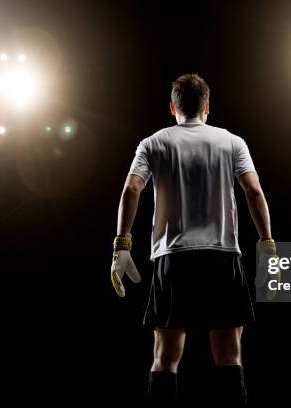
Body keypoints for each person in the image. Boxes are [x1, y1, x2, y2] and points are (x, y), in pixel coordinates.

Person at [110, 73, 276, 406]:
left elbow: (131, 188)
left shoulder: (154, 142)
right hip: (222, 257)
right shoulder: (232, 142)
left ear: (173, 107)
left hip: (174, 258)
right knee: (229, 356)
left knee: (165, 358)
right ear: (207, 107)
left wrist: (122, 245)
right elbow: (253, 190)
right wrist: (267, 245)